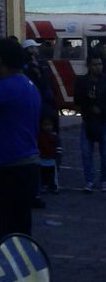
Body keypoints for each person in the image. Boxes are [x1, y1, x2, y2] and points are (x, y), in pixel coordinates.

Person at [0, 38, 41, 239]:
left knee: (7, 232)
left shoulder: (6, 88)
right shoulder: (28, 84)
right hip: (27, 165)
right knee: (20, 230)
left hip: (10, 168)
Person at [74, 55, 106, 192]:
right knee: (86, 154)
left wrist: (102, 108)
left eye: (99, 64)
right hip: (88, 121)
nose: (98, 66)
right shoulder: (81, 81)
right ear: (89, 66)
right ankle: (90, 180)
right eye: (95, 64)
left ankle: (104, 180)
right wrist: (88, 100)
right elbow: (77, 99)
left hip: (104, 120)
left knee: (105, 155)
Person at [38, 111, 62, 195]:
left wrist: (58, 159)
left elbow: (59, 149)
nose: (47, 127)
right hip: (42, 158)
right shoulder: (40, 136)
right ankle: (44, 185)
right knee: (43, 174)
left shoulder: (55, 137)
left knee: (53, 175)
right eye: (45, 125)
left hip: (52, 159)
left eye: (49, 125)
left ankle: (54, 186)